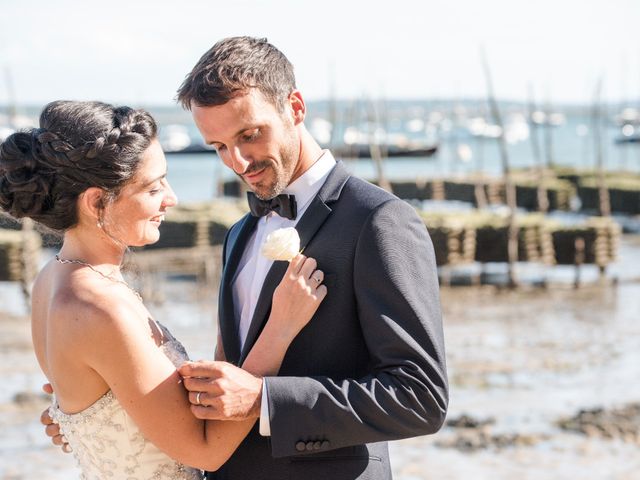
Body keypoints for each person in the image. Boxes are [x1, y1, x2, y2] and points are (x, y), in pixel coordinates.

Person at [1, 100, 327, 479]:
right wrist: (280, 327)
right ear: (95, 202)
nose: (171, 198)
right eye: (153, 188)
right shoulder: (100, 307)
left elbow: (95, 405)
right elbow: (204, 450)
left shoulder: (51, 278)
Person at [173, 36, 449, 479]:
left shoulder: (379, 220)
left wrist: (265, 399)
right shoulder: (238, 234)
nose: (238, 162)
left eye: (249, 135)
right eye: (219, 146)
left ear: (295, 108)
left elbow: (420, 399)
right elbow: (232, 377)